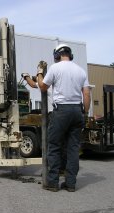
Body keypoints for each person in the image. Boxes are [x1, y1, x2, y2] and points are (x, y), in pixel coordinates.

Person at [36, 44, 91, 192]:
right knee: (73, 149)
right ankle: (70, 183)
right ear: (69, 54)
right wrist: (84, 113)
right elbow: (86, 94)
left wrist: (40, 73)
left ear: (57, 55)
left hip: (61, 111)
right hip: (77, 111)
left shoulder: (55, 68)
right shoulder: (81, 71)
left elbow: (42, 86)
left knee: (54, 146)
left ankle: (53, 183)